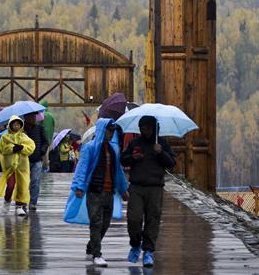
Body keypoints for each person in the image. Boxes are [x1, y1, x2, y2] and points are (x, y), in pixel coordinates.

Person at [64, 119, 129, 267]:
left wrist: (123, 189)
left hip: (109, 193)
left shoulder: (112, 150)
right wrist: (79, 187)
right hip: (94, 192)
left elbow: (117, 171)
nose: (111, 133)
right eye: (109, 130)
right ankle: (97, 254)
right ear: (102, 130)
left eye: (113, 131)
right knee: (96, 222)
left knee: (105, 224)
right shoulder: (89, 148)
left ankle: (92, 244)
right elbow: (82, 168)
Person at [120, 115, 176, 268]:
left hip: (155, 187)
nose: (146, 131)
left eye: (149, 128)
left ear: (154, 128)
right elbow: (123, 159)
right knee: (134, 219)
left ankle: (148, 252)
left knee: (153, 220)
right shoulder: (134, 143)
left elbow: (171, 163)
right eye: (143, 128)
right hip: (136, 186)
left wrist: (161, 153)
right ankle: (135, 244)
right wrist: (132, 157)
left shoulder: (162, 143)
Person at [0, 115, 35, 217]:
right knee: (10, 186)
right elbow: (2, 149)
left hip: (22, 168)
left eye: (18, 124)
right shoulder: (5, 137)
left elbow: (31, 148)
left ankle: (19, 206)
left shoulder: (24, 137)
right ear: (10, 125)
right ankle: (7, 201)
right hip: (10, 168)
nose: (16, 126)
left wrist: (22, 148)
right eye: (14, 124)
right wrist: (12, 149)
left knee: (21, 186)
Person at [23, 113, 49, 211]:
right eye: (31, 116)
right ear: (26, 117)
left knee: (35, 181)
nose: (34, 118)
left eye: (34, 116)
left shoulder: (40, 128)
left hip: (37, 159)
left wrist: (42, 150)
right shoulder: (21, 129)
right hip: (24, 159)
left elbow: (46, 142)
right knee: (24, 182)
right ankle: (23, 201)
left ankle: (33, 203)